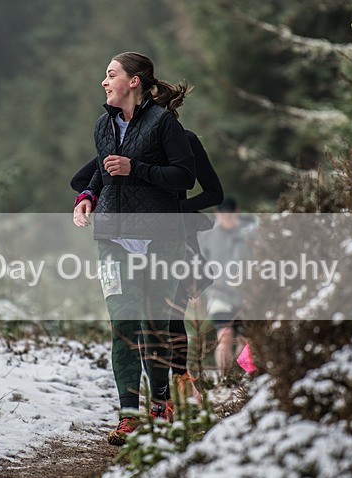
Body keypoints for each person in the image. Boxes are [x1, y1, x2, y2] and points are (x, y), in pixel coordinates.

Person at [72, 51, 195, 445]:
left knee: (154, 326)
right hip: (112, 238)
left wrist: (135, 169)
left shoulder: (163, 124)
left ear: (134, 81)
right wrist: (88, 195)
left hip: (161, 239)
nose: (105, 82)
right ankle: (129, 415)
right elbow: (99, 169)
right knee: (124, 326)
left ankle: (160, 405)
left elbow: (185, 178)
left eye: (111, 75)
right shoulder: (102, 126)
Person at [70, 131, 223, 406]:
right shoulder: (128, 145)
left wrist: (172, 208)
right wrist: (109, 203)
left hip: (176, 239)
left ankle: (179, 386)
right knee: (142, 323)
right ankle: (159, 400)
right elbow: (80, 180)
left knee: (169, 317)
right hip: (132, 240)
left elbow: (214, 192)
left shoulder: (185, 141)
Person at [198, 197, 254, 377]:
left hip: (246, 296)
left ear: (237, 212)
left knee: (246, 340)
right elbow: (198, 263)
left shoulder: (250, 232)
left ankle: (244, 376)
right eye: (224, 216)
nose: (227, 220)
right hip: (219, 295)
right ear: (217, 214)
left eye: (231, 216)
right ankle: (224, 377)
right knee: (225, 335)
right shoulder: (206, 235)